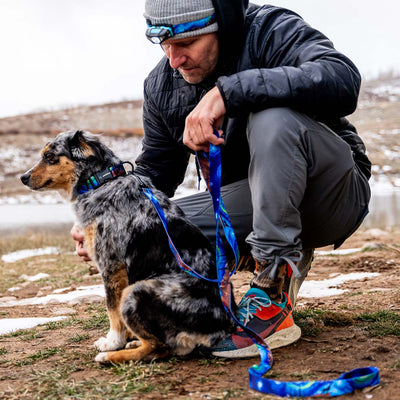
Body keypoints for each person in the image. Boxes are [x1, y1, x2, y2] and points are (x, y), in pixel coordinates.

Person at [72, 0, 371, 358]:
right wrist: (109, 222)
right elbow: (156, 174)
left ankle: (273, 282)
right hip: (247, 200)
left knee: (271, 115)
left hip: (331, 193)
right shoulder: (162, 85)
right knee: (154, 226)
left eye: (185, 44)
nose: (174, 59)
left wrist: (229, 93)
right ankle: (200, 310)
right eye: (164, 46)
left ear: (221, 25)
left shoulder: (269, 29)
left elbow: (341, 78)